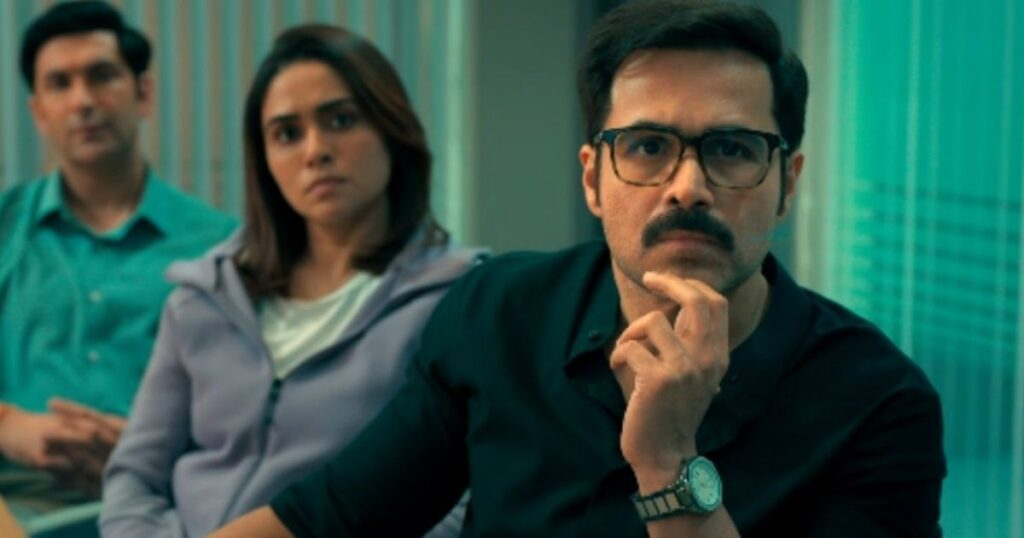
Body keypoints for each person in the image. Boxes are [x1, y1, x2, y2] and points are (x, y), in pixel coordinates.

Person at [214, 1, 946, 536]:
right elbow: (330, 519)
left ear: (787, 184)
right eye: (648, 146)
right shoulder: (496, 313)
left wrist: (668, 463)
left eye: (732, 149)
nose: (688, 187)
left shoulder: (878, 402)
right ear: (593, 179)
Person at [100, 24, 479, 538]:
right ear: (265, 160)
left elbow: (467, 499)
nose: (315, 151)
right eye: (287, 134)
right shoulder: (203, 297)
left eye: (341, 120)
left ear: (392, 130)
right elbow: (134, 477)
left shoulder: (460, 302)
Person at [0, 1, 235, 523]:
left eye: (102, 76)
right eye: (59, 84)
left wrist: (148, 453)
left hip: (172, 509)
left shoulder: (222, 246)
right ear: (38, 112)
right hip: (17, 507)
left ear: (143, 93)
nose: (83, 100)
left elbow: (253, 410)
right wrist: (8, 425)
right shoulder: (4, 229)